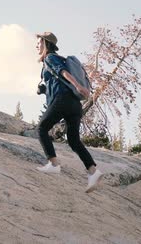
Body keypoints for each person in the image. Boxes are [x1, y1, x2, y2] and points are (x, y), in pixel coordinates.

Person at [35, 32, 103, 193]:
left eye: (39, 43)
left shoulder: (51, 58)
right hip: (74, 105)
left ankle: (53, 164)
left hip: (63, 100)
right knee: (73, 141)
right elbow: (59, 81)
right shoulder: (57, 58)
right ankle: (93, 171)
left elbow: (63, 73)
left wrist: (79, 86)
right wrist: (45, 90)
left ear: (46, 43)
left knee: (41, 128)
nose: (36, 46)